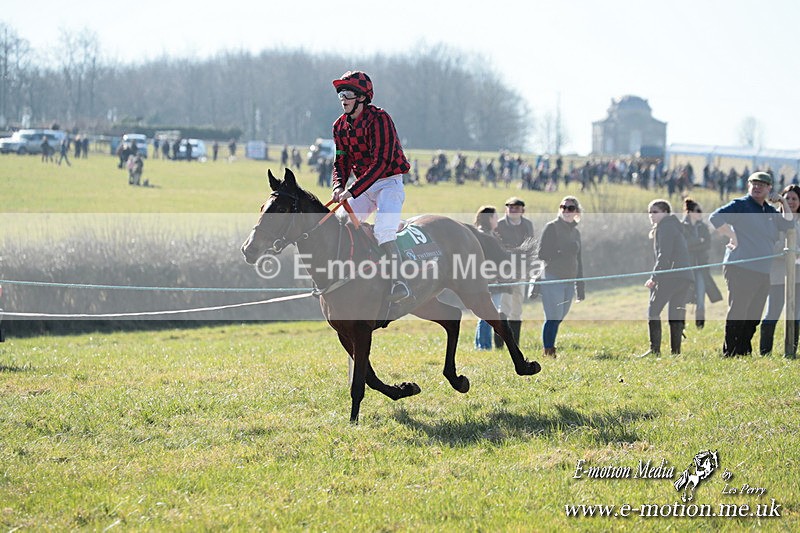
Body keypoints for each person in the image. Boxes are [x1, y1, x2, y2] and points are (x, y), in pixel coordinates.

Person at [330, 70, 413, 303]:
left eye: (347, 93)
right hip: (364, 185)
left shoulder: (380, 119)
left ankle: (399, 281)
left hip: (389, 182)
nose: (343, 98)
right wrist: (338, 186)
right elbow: (341, 161)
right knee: (340, 221)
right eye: (340, 94)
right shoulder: (339, 127)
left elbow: (381, 163)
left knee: (384, 231)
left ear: (362, 97)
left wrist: (352, 190)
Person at [709, 172, 794, 357]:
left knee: (754, 313)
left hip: (763, 270)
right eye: (754, 183)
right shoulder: (740, 205)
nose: (757, 187)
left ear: (769, 188)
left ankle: (744, 350)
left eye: (762, 184)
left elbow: (789, 223)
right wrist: (732, 235)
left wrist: (782, 201)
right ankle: (730, 352)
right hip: (740, 267)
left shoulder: (770, 211)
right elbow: (715, 218)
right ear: (749, 185)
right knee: (739, 309)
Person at [640, 199, 693, 356]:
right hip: (683, 277)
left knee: (653, 311)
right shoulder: (673, 226)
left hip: (671, 277)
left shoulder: (666, 227)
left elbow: (664, 255)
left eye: (655, 212)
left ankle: (654, 350)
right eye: (649, 212)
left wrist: (654, 277)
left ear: (665, 212)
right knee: (675, 314)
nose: (651, 215)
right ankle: (675, 352)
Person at [537, 196, 585, 357]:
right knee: (552, 316)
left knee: (560, 316)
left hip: (569, 280)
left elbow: (578, 259)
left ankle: (549, 346)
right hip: (552, 277)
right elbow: (542, 254)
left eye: (570, 208)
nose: (566, 210)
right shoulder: (551, 227)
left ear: (576, 211)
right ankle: (548, 350)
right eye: (563, 207)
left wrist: (580, 286)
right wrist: (562, 251)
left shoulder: (576, 232)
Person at [760, 184, 800, 354]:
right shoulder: (773, 220)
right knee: (773, 311)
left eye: (794, 199)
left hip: (798, 274)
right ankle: (765, 351)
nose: (790, 202)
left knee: (796, 312)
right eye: (787, 198)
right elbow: (770, 245)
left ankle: (791, 350)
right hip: (777, 273)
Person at [495, 197, 534, 345]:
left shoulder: (527, 225)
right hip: (504, 271)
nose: (513, 210)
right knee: (504, 306)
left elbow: (531, 246)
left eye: (516, 207)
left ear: (522, 210)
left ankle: (514, 342)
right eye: (510, 207)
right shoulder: (499, 225)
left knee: (517, 306)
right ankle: (499, 342)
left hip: (521, 271)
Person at [680, 198, 722, 329]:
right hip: (687, 268)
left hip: (701, 268)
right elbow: (684, 245)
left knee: (701, 297)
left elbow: (707, 245)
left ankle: (700, 326)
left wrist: (695, 243)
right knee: (682, 297)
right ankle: (680, 326)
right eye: (698, 211)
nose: (700, 213)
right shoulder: (682, 227)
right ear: (690, 212)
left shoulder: (703, 227)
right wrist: (699, 240)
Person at [473, 205, 504, 350]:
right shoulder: (484, 236)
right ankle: (484, 346)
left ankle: (481, 344)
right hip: (489, 282)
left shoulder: (488, 235)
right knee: (488, 314)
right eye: (496, 216)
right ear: (490, 218)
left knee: (486, 314)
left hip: (490, 281)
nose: (497, 219)